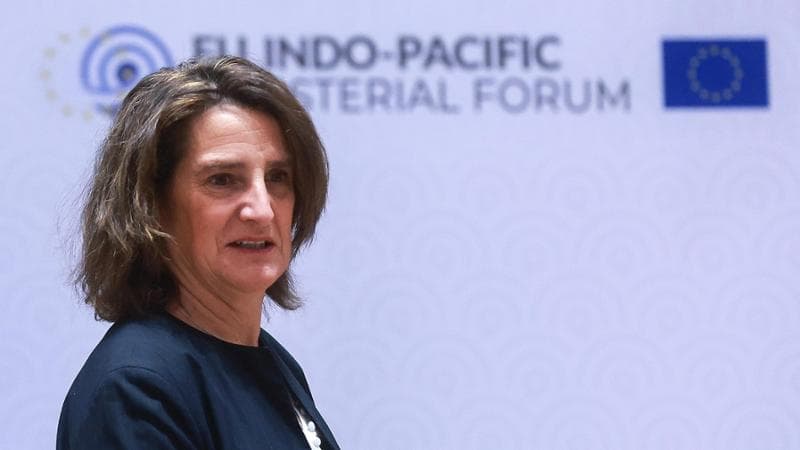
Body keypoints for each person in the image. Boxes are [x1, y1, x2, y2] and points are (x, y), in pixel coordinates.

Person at [57, 56, 339, 450]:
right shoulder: (136, 390)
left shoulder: (270, 359)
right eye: (222, 180)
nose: (262, 210)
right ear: (150, 205)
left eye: (278, 177)